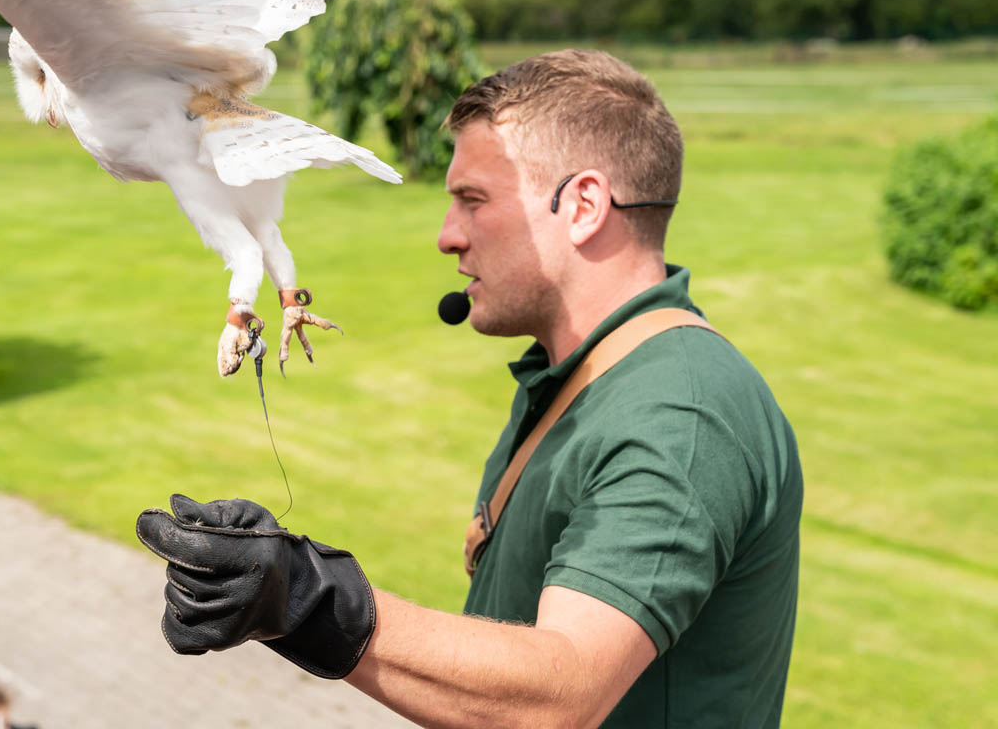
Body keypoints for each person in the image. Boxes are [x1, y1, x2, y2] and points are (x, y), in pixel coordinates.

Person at [137, 49, 804, 728]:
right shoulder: (582, 372)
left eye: (473, 201)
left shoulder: (677, 413)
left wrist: (307, 595)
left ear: (583, 206)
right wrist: (276, 577)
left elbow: (562, 694)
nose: (446, 237)